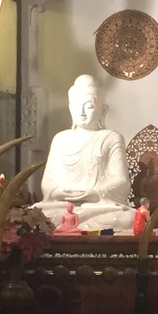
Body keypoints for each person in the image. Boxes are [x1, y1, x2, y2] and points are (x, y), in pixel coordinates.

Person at [35, 75, 136, 232]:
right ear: (70, 108)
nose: (81, 112)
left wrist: (93, 193)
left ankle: (73, 227)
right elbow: (47, 184)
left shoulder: (111, 137)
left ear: (103, 110)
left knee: (125, 218)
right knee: (39, 216)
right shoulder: (61, 139)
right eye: (76, 107)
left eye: (88, 106)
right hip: (62, 205)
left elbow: (122, 183)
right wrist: (58, 191)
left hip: (96, 207)